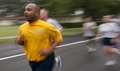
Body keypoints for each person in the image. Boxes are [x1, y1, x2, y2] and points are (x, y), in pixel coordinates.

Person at [15, 3, 62, 71]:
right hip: (32, 61)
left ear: (37, 13)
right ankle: (55, 66)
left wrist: (50, 49)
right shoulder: (22, 28)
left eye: (29, 10)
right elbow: (23, 42)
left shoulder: (46, 26)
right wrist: (20, 42)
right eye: (25, 10)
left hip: (46, 59)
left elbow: (58, 37)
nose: (25, 12)